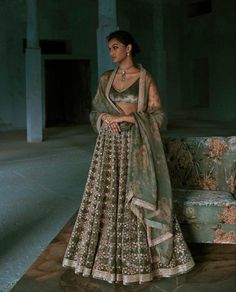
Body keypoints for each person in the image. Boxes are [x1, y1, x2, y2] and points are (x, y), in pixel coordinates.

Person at [62, 30, 195, 285]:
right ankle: (102, 259)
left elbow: (158, 116)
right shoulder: (105, 80)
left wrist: (126, 118)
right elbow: (95, 112)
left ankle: (145, 261)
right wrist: (103, 118)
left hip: (136, 146)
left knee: (134, 198)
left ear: (129, 48)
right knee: (107, 199)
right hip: (108, 148)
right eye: (109, 48)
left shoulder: (144, 79)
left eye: (115, 47)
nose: (111, 52)